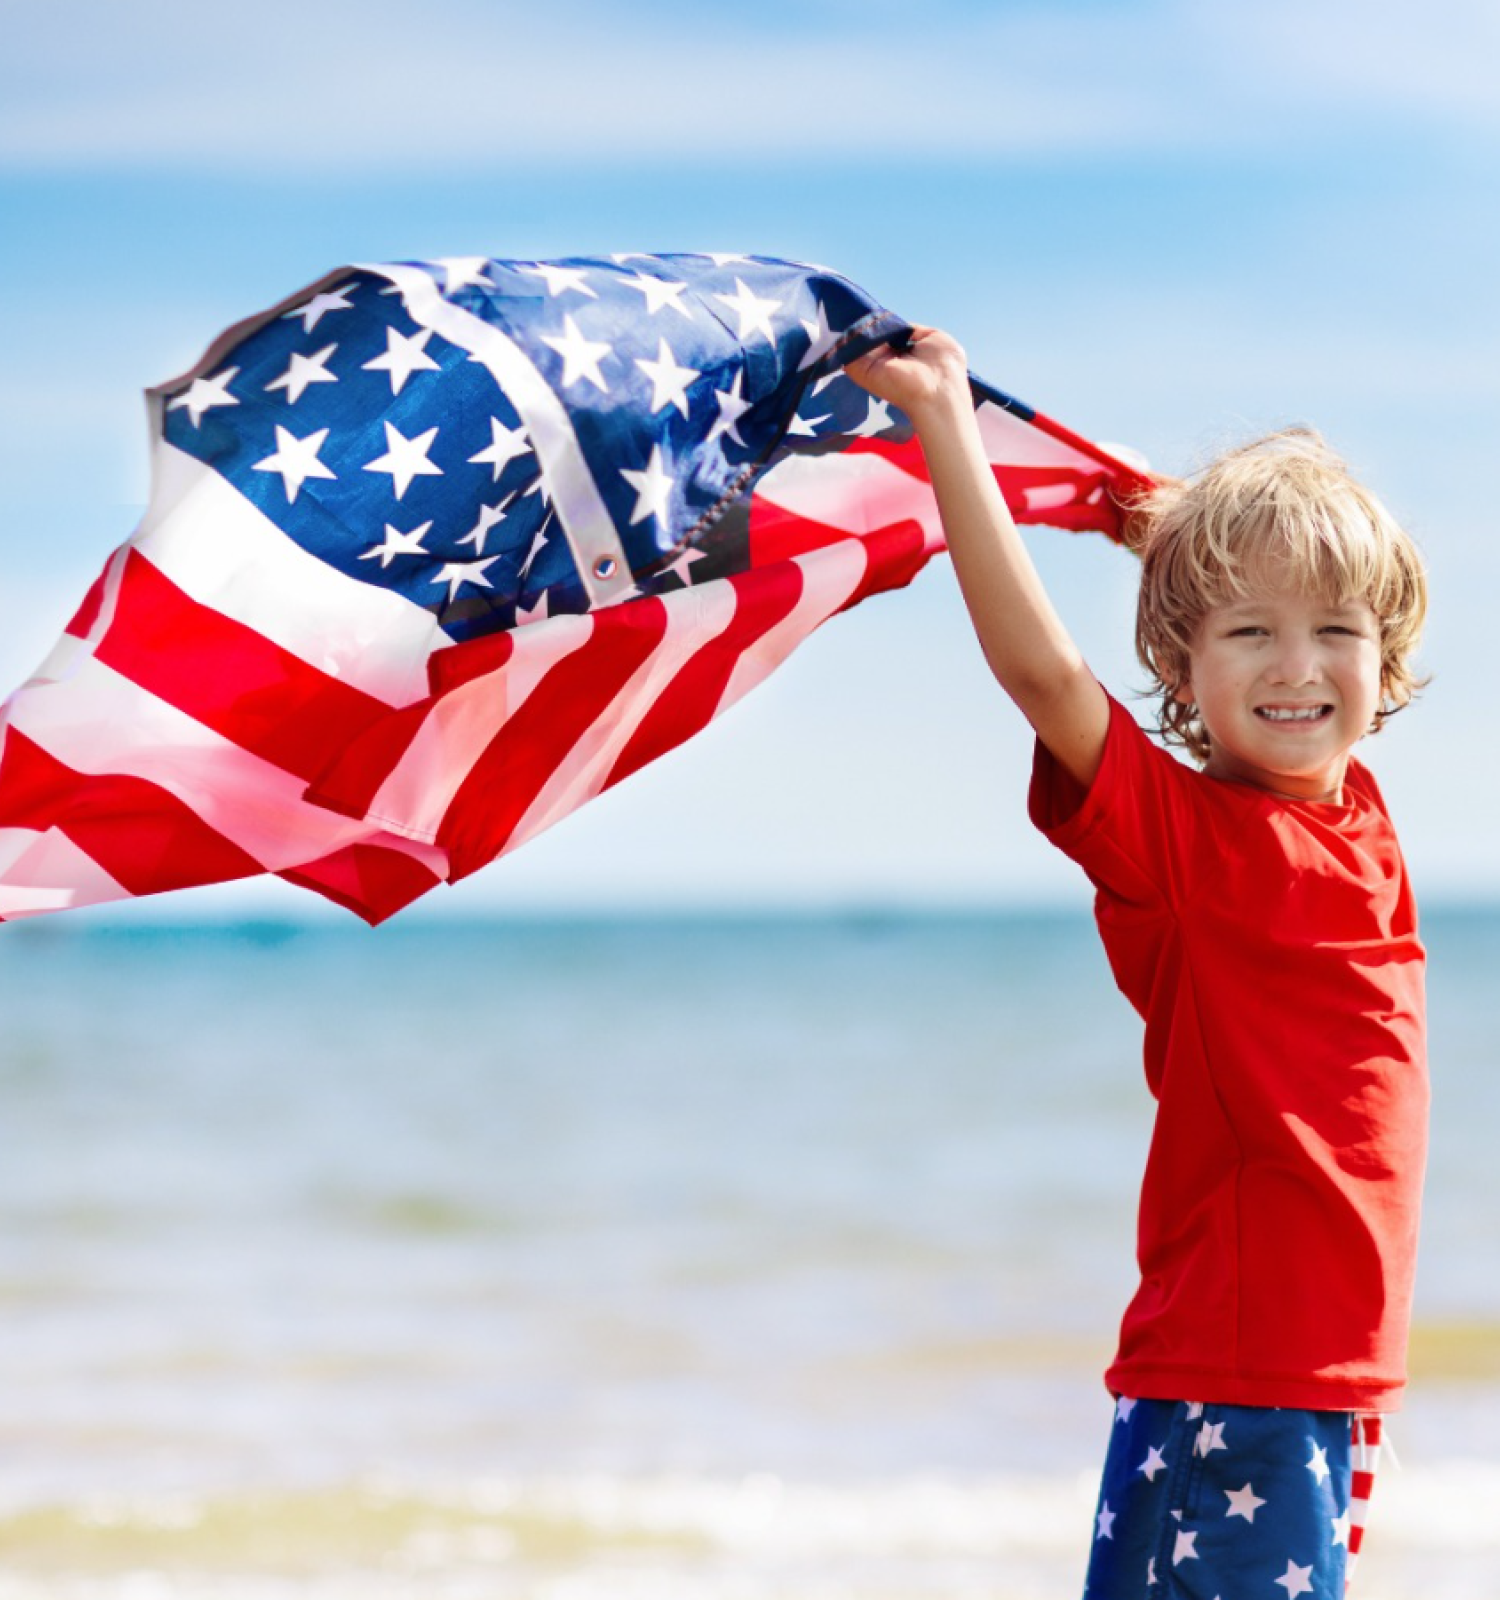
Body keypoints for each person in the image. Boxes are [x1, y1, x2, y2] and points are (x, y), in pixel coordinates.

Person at [848, 329, 1428, 1599]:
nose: (1295, 665)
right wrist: (948, 424)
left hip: (1323, 1383)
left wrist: (1173, 540)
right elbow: (1045, 673)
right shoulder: (1188, 843)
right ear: (1178, 665)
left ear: (1384, 663)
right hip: (1240, 1381)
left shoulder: (1354, 808)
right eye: (1248, 636)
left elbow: (1286, 623)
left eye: (1334, 631)